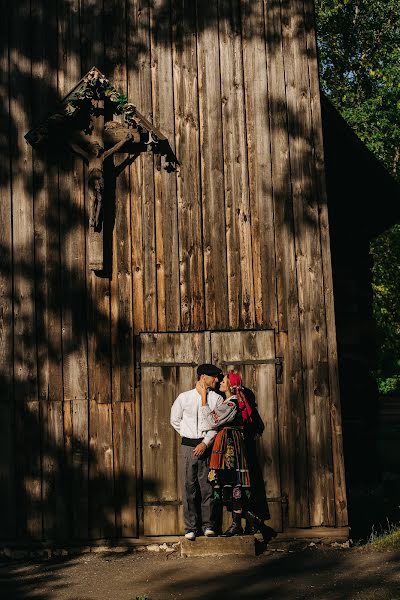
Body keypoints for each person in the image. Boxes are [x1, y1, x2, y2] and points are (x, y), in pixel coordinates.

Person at [170, 363, 237, 541]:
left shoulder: (215, 399)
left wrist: (205, 443)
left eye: (217, 376)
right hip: (188, 447)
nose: (217, 379)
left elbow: (215, 424)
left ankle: (209, 526)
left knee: (208, 487)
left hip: (208, 447)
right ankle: (191, 527)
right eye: (213, 376)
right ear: (203, 377)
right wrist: (189, 437)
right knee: (189, 488)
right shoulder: (183, 398)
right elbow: (175, 420)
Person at [198, 371, 267, 536]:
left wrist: (203, 398)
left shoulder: (231, 404)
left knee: (234, 483)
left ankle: (242, 522)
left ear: (231, 386)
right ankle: (248, 521)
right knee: (229, 484)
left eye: (225, 380)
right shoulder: (230, 402)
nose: (221, 382)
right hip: (227, 445)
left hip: (230, 447)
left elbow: (210, 421)